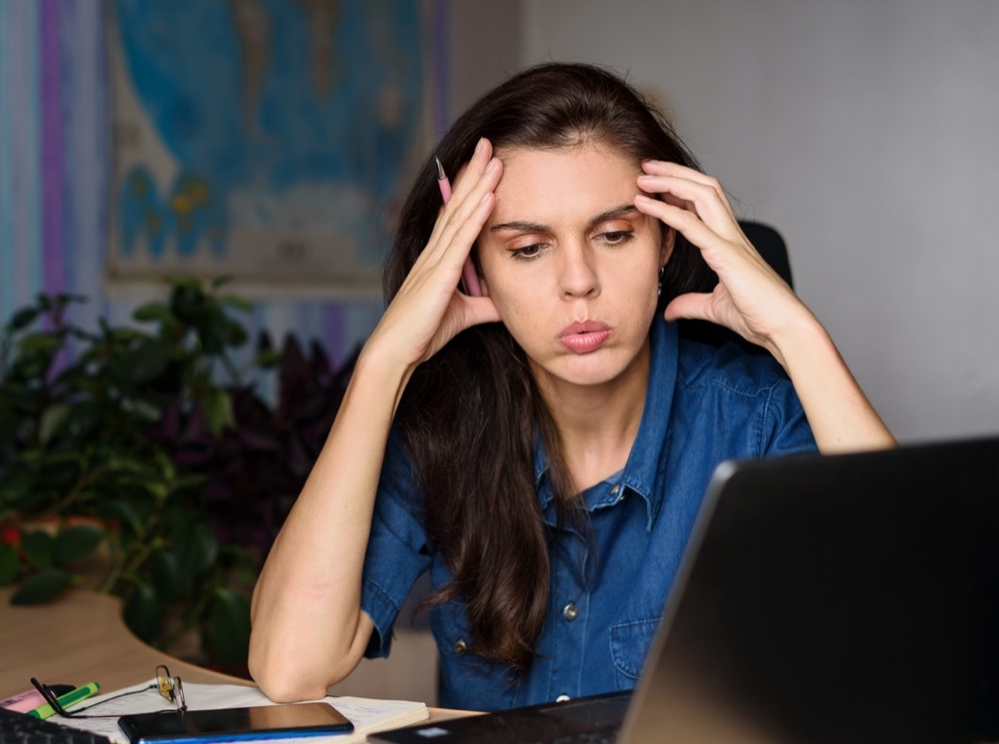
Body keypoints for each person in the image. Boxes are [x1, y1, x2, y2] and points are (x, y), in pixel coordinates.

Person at [247, 62, 895, 712]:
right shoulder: (441, 425)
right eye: (528, 248)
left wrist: (793, 332)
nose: (578, 281)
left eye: (614, 235)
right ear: (474, 270)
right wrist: (385, 361)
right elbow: (289, 667)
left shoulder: (754, 418)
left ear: (667, 239)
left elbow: (913, 615)